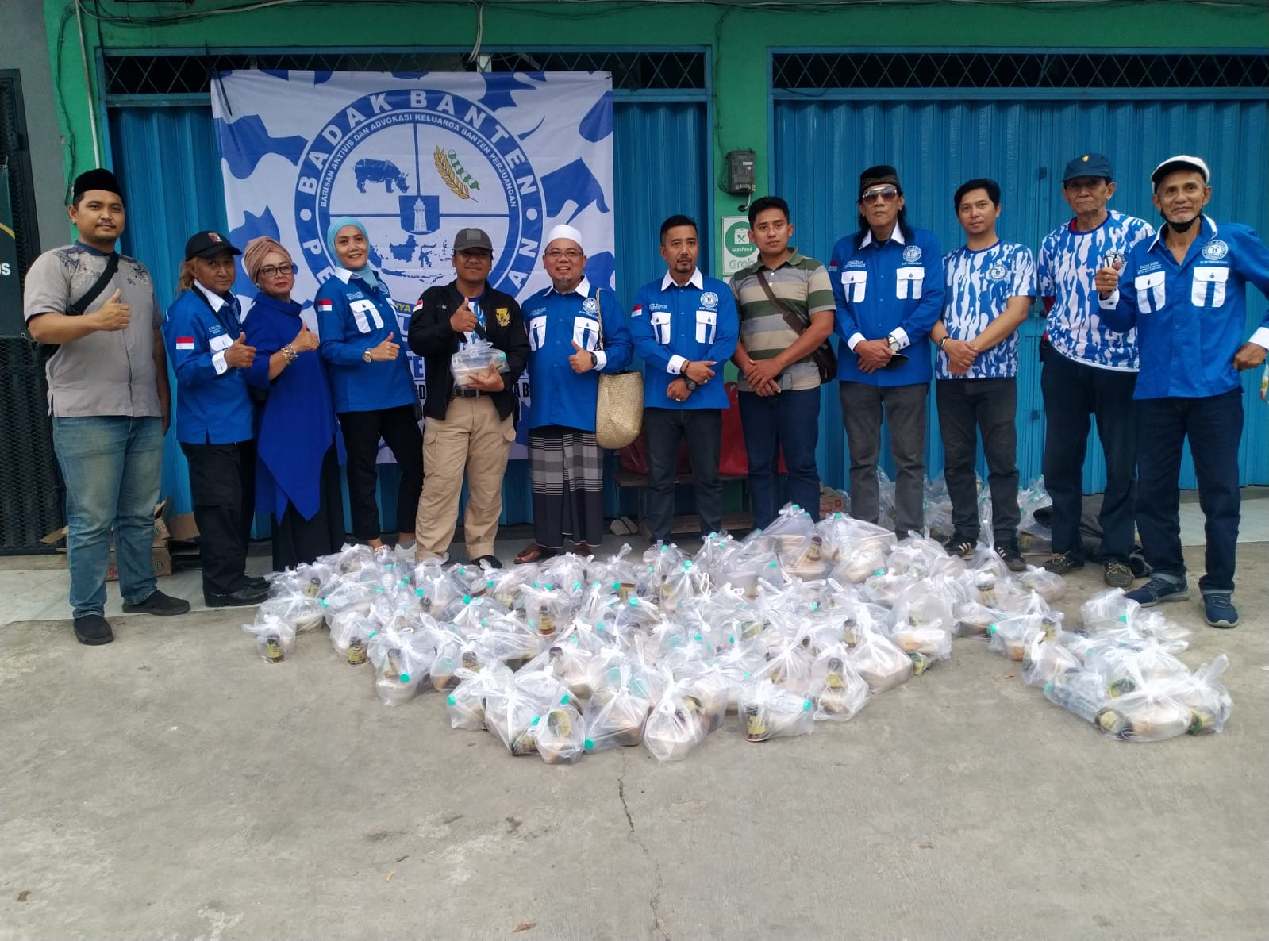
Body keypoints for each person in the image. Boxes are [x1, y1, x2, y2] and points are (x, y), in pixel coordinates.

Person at [1096, 155, 1269, 628]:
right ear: (1157, 201)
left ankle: (1219, 587)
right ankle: (1167, 573)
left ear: (1205, 194)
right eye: (1170, 192)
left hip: (1215, 392)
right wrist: (1107, 293)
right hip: (1155, 393)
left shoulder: (1231, 241)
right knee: (1153, 492)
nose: (1180, 198)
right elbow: (1121, 321)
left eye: (1189, 188)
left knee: (1219, 493)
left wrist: (1261, 341)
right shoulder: (1141, 255)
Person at [23, 168, 189, 644]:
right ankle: (88, 608)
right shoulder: (55, 264)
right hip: (86, 412)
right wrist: (96, 321)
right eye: (95, 206)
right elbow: (40, 327)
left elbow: (153, 340)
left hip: (142, 411)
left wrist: (162, 397)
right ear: (74, 213)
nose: (106, 215)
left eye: (115, 208)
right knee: (92, 519)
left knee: (138, 513)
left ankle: (140, 590)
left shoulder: (138, 271)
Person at [1037, 153, 1154, 587]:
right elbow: (1050, 297)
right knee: (1061, 458)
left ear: (1110, 189)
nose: (1083, 191)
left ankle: (1117, 552)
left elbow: (1147, 293)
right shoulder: (1053, 242)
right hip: (1065, 362)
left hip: (1120, 365)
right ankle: (1066, 546)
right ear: (1065, 192)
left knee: (1121, 461)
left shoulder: (1136, 233)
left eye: (1093, 184)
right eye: (1075, 185)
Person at [830, 165, 944, 538]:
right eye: (871, 196)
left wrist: (891, 343)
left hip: (907, 370)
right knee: (861, 458)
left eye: (887, 194)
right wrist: (860, 344)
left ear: (900, 201)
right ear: (861, 207)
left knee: (909, 459)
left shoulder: (924, 245)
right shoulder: (844, 249)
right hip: (857, 369)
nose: (879, 202)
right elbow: (836, 304)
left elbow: (933, 300)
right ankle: (866, 536)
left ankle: (909, 536)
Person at [408, 228, 529, 567]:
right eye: (467, 254)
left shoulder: (505, 304)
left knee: (487, 485)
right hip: (451, 407)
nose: (474, 260)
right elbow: (417, 341)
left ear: (491, 261)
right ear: (454, 260)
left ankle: (482, 549)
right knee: (441, 484)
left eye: (481, 254)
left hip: (492, 406)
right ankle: (430, 555)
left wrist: (501, 379)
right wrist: (450, 325)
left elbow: (520, 352)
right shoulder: (434, 298)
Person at [931, 178, 1035, 570]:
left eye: (981, 205)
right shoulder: (945, 264)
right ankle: (964, 534)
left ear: (997, 209)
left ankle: (1007, 540)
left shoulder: (1017, 256)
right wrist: (948, 345)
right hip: (951, 377)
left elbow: (1017, 311)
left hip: (996, 375)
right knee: (957, 460)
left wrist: (969, 349)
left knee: (1002, 460)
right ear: (958, 215)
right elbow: (929, 315)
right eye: (966, 208)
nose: (974, 214)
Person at [515, 224, 632, 563]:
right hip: (545, 409)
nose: (563, 260)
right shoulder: (532, 305)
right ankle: (547, 542)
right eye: (555, 253)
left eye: (571, 253)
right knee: (546, 484)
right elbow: (518, 353)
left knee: (586, 483)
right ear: (545, 261)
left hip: (586, 409)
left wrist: (594, 359)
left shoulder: (601, 300)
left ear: (583, 260)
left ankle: (584, 544)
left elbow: (624, 348)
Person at [164, 231, 269, 607]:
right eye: (213, 264)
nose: (223, 271)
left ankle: (234, 575)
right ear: (193, 269)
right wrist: (227, 359)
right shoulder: (186, 311)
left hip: (238, 427)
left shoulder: (228, 305)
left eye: (227, 263)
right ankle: (220, 587)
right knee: (219, 511)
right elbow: (186, 371)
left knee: (237, 508)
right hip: (209, 433)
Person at [629, 214, 739, 543]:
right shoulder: (647, 295)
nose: (684, 251)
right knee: (660, 479)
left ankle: (712, 544)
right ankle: (660, 544)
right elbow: (643, 342)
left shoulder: (719, 293)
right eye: (676, 244)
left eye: (691, 243)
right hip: (660, 402)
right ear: (663, 251)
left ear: (698, 248)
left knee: (708, 478)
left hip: (704, 402)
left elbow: (726, 342)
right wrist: (684, 367)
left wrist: (689, 381)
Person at [728, 196, 836, 529]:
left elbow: (823, 326)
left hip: (801, 384)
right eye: (763, 227)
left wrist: (775, 365)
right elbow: (728, 334)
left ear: (790, 229)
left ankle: (804, 536)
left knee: (801, 463)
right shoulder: (739, 280)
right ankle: (765, 534)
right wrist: (751, 371)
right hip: (754, 388)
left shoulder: (812, 270)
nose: (771, 233)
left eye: (777, 225)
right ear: (751, 236)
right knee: (760, 465)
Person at [316, 218, 422, 550]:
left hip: (396, 395)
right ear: (333, 249)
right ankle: (373, 541)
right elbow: (329, 348)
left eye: (358, 239)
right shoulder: (331, 291)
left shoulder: (377, 284)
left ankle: (407, 537)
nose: (353, 246)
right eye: (344, 241)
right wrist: (367, 354)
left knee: (417, 465)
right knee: (363, 472)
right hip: (359, 399)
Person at [241, 237, 345, 571]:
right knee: (300, 501)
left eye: (285, 267)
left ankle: (323, 576)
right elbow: (257, 372)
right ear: (257, 278)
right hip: (289, 430)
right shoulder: (260, 319)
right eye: (270, 270)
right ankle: (302, 579)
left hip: (313, 426)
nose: (280, 274)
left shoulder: (293, 314)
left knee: (322, 502)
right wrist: (294, 348)